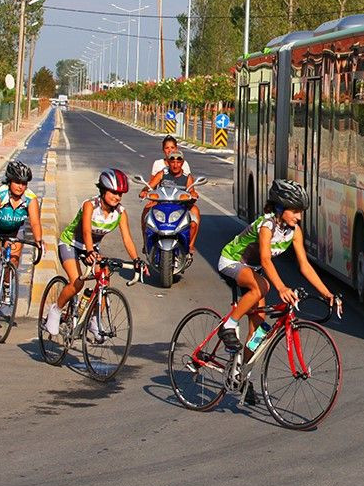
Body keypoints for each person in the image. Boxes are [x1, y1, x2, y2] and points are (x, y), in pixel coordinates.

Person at [216, 179, 340, 355]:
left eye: (301, 212)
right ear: (280, 208)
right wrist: (281, 288)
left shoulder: (294, 231)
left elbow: (304, 265)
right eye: (295, 211)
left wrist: (327, 293)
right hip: (231, 261)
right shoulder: (267, 226)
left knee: (258, 333)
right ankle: (228, 326)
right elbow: (266, 260)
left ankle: (241, 374)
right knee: (263, 286)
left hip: (253, 269)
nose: (299, 217)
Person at [44, 168, 145, 336]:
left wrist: (136, 260)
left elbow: (127, 239)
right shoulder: (90, 205)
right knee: (77, 282)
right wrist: (90, 251)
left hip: (92, 248)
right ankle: (56, 310)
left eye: (120, 194)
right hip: (71, 243)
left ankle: (94, 319)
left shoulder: (120, 213)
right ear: (103, 190)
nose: (117, 197)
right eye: (113, 192)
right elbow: (85, 232)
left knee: (104, 279)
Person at [0, 161, 44, 309]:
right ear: (9, 180)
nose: (21, 186)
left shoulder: (30, 199)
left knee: (13, 258)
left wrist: (39, 241)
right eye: (17, 182)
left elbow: (35, 223)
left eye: (24, 183)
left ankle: (6, 285)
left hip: (14, 228)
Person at [142, 150, 200, 258]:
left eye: (178, 162)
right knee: (146, 210)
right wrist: (145, 191)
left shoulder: (187, 177)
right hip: (162, 205)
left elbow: (192, 191)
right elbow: (150, 186)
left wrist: (193, 195)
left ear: (182, 163)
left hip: (181, 206)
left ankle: (190, 245)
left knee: (194, 218)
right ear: (168, 162)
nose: (175, 164)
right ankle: (145, 242)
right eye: (172, 161)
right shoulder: (163, 173)